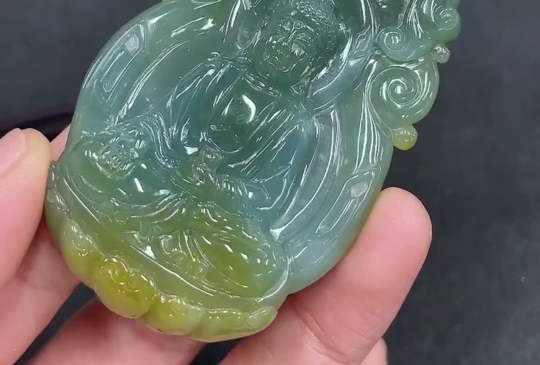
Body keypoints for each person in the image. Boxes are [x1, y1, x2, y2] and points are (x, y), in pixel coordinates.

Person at [0, 127, 431, 365]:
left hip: (213, 219)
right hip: (158, 183)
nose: (288, 46)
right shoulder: (215, 71)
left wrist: (218, 187)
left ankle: (160, 240)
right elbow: (164, 125)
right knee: (91, 158)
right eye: (282, 32)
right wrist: (136, 146)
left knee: (260, 266)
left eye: (303, 43)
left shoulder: (298, 127)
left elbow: (270, 197)